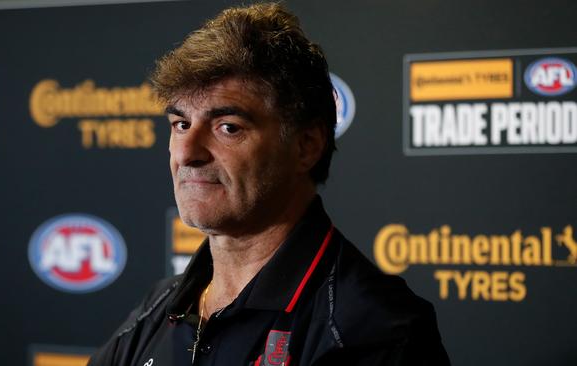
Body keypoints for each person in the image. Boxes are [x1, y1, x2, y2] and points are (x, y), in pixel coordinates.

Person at [89, 3, 450, 365]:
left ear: (306, 146)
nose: (186, 152)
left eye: (227, 127)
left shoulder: (372, 330)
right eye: (181, 125)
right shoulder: (158, 306)